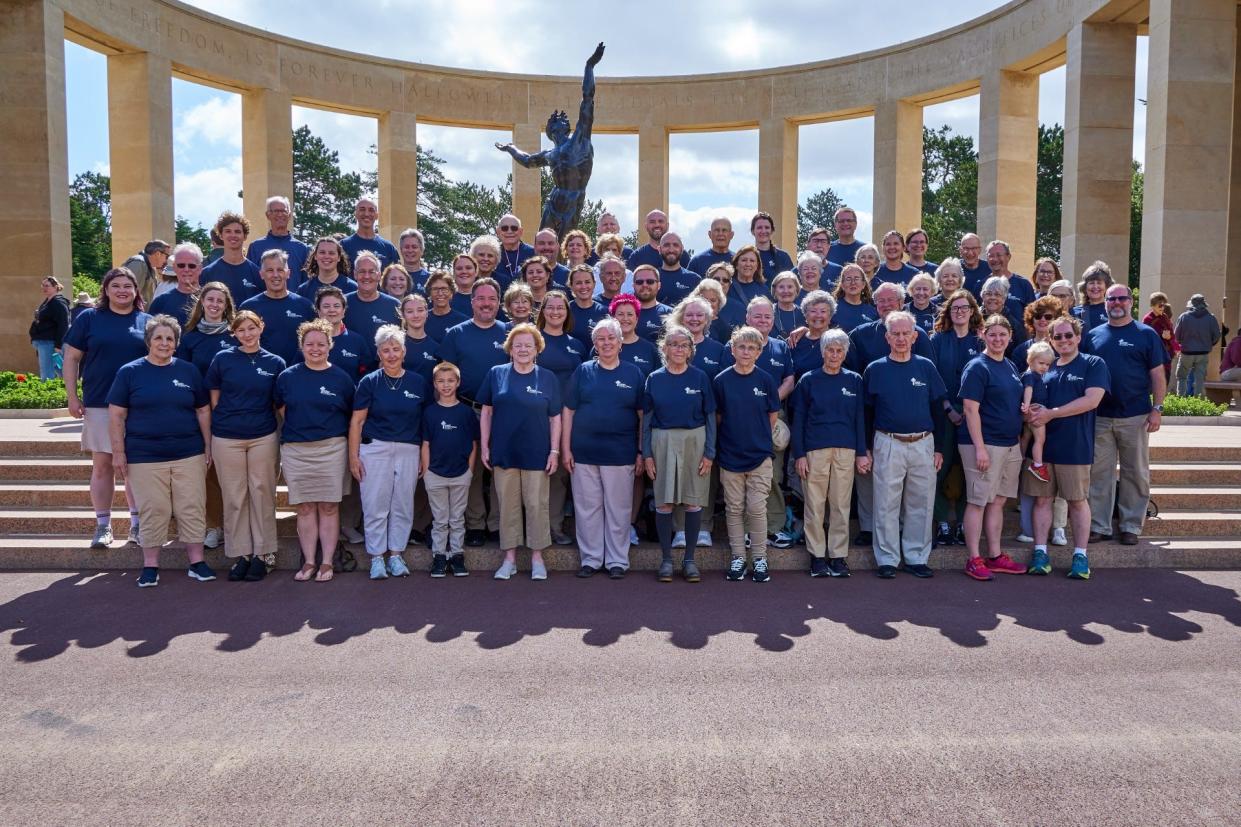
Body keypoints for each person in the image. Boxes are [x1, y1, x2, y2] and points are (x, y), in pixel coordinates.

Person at [107, 315, 213, 587]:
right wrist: (118, 452)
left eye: (170, 339)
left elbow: (202, 410)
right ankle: (151, 565)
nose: (164, 343)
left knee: (192, 507)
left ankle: (197, 562)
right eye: (158, 338)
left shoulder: (188, 371)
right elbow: (117, 415)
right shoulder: (129, 372)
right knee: (154, 509)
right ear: (148, 341)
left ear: (176, 343)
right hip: (144, 456)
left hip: (188, 452)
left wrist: (208, 446)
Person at [63, 268, 151, 549]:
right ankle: (103, 525)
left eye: (128, 285)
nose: (122, 290)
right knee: (103, 466)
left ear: (136, 290)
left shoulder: (146, 322)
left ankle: (137, 525)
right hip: (100, 402)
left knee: (135, 469)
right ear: (106, 289)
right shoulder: (89, 318)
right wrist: (72, 396)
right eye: (116, 286)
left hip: (139, 406)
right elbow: (72, 358)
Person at [863, 310, 947, 579]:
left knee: (921, 503)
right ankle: (887, 559)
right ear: (887, 337)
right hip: (887, 442)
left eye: (905, 334)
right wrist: (865, 448)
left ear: (914, 336)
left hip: (923, 443)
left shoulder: (926, 367)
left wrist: (940, 448)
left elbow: (938, 408)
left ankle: (916, 557)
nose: (901, 338)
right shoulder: (875, 369)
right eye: (895, 334)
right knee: (886, 503)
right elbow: (866, 412)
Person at [1025, 315, 1109, 580]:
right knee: (1042, 499)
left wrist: (1051, 414)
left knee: (1076, 501)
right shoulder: (1045, 368)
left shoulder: (1093, 364)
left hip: (1075, 446)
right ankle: (1040, 552)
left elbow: (1092, 400)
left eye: (1068, 335)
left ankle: (1080, 555)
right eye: (1057, 336)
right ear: (1050, 340)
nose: (1064, 340)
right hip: (1043, 448)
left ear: (1078, 337)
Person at [206, 310, 285, 582]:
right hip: (227, 437)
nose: (247, 334)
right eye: (241, 330)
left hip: (263, 435)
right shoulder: (223, 359)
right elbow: (214, 399)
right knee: (235, 496)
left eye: (252, 328)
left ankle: (264, 555)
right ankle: (243, 554)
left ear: (261, 327)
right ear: (234, 333)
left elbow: (278, 403)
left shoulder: (275, 362)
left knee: (262, 493)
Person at [276, 319, 356, 583]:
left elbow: (348, 413)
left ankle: (327, 562)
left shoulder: (341, 378)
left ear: (330, 345)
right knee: (306, 507)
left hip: (332, 449)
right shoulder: (287, 377)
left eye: (321, 344)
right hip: (297, 450)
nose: (315, 348)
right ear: (301, 346)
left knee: (329, 506)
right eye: (309, 344)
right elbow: (282, 410)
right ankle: (309, 561)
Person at [479, 323, 561, 581]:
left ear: (537, 348)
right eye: (518, 345)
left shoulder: (547, 377)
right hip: (504, 451)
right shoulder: (496, 373)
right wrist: (484, 445)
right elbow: (487, 412)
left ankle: (537, 558)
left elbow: (555, 418)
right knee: (508, 506)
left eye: (528, 345)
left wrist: (555, 450)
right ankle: (510, 559)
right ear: (510, 349)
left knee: (537, 504)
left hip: (537, 452)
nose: (523, 349)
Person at [564, 318, 644, 578]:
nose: (606, 342)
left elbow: (643, 416)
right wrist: (566, 449)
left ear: (620, 342)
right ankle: (591, 558)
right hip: (584, 452)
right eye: (601, 339)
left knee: (618, 509)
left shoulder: (633, 373)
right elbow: (568, 411)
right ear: (594, 344)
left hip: (621, 453)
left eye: (611, 338)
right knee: (587, 508)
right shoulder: (583, 371)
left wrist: (642, 451)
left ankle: (617, 561)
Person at [1086, 283, 1166, 545]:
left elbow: (1157, 374)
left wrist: (1157, 408)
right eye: (1112, 299)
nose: (1116, 303)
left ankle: (1131, 525)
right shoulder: (1093, 335)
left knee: (1136, 472)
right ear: (1106, 303)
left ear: (1130, 301)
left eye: (1121, 298)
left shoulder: (1146, 334)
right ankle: (1099, 525)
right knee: (1099, 474)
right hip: (1100, 416)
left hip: (1136, 416)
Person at [349, 325, 429, 580]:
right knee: (375, 504)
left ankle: (395, 555)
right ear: (379, 353)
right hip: (375, 449)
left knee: (402, 504)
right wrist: (353, 457)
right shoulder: (369, 381)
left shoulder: (417, 382)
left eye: (396, 349)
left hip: (408, 449)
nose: (392, 354)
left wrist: (422, 455)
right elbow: (357, 422)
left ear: (404, 351)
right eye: (386, 350)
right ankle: (376, 558)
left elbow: (424, 422)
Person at [437, 277, 510, 546]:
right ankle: (476, 524)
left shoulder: (508, 333)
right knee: (473, 469)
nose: (486, 304)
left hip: (502, 413)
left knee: (501, 468)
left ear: (499, 302)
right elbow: (445, 376)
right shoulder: (456, 334)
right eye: (480, 298)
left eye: (491, 298)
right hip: (467, 410)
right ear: (472, 302)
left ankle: (498, 523)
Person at [719, 297, 796, 547]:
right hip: (738, 421)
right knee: (740, 479)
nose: (763, 321)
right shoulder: (732, 346)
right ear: (747, 318)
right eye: (757, 316)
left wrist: (769, 404)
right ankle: (743, 533)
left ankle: (771, 528)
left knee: (770, 476)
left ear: (773, 321)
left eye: (767, 317)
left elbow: (789, 379)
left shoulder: (779, 347)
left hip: (772, 418)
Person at [958, 314, 1028, 580]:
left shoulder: (1009, 365)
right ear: (983, 335)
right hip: (984, 444)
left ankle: (995, 555)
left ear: (1010, 336)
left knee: (998, 501)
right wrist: (979, 449)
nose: (998, 339)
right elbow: (970, 410)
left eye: (1002, 334)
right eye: (992, 334)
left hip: (1010, 445)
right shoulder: (978, 367)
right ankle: (974, 558)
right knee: (977, 501)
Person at [792, 328, 867, 577]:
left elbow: (859, 418)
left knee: (841, 504)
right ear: (822, 352)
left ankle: (837, 557)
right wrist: (800, 454)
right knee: (814, 504)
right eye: (830, 350)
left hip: (846, 450)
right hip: (815, 449)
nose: (834, 355)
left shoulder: (854, 379)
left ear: (845, 353)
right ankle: (816, 557)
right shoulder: (808, 380)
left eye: (839, 351)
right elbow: (799, 419)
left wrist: (861, 452)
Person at [643, 325, 715, 582]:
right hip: (662, 440)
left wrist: (709, 453)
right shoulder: (654, 378)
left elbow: (710, 418)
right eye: (673, 344)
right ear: (664, 348)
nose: (678, 349)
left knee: (692, 500)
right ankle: (665, 559)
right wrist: (647, 454)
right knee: (664, 501)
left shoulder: (700, 377)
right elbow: (647, 420)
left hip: (695, 439)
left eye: (683, 345)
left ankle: (689, 560)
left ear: (690, 350)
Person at [713, 326, 781, 582]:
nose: (746, 351)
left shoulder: (766, 380)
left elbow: (771, 416)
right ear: (733, 349)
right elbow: (719, 417)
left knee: (756, 508)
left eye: (752, 348)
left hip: (760, 455)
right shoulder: (721, 380)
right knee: (734, 508)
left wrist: (758, 438)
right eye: (741, 347)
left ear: (759, 352)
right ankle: (738, 557)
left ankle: (760, 558)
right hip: (730, 455)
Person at [1011, 297, 1071, 546]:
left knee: (1058, 481)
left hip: (1059, 422)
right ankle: (1027, 527)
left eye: (1049, 317)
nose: (1043, 321)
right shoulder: (1022, 350)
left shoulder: (1064, 349)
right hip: (1031, 418)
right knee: (1032, 477)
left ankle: (1058, 527)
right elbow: (1018, 385)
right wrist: (1026, 412)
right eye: (1039, 317)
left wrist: (1053, 412)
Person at [927, 289, 985, 548]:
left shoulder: (981, 340)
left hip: (975, 414)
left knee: (969, 472)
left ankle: (963, 522)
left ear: (972, 311)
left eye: (964, 307)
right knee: (938, 470)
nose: (960, 311)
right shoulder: (938, 339)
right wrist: (948, 407)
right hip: (944, 412)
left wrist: (968, 409)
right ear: (949, 312)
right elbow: (933, 376)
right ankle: (941, 521)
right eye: (955, 308)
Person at [421, 362, 480, 577]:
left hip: (460, 473)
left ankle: (456, 555)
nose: (446, 385)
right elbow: (425, 444)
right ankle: (439, 557)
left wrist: (470, 471)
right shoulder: (429, 412)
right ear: (435, 384)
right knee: (440, 519)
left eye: (450, 381)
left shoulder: (466, 413)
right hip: (435, 474)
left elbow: (474, 444)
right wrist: (427, 472)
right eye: (441, 381)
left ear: (458, 383)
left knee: (456, 518)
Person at [536, 290, 584, 546]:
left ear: (567, 313)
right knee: (536, 473)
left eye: (560, 308)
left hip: (568, 416)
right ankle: (535, 528)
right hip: (536, 416)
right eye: (550, 307)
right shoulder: (533, 340)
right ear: (542, 311)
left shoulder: (576, 345)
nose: (555, 312)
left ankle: (554, 527)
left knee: (560, 475)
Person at [239, 249, 317, 365]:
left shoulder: (305, 306)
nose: (275, 275)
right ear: (261, 274)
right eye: (270, 270)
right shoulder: (249, 307)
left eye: (280, 270)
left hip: (297, 374)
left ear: (288, 273)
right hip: (261, 374)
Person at [246, 196, 310, 290]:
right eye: (276, 211)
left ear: (289, 215)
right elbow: (251, 281)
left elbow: (307, 283)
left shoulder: (302, 249)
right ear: (268, 215)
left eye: (283, 211)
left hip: (293, 303)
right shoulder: (255, 248)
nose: (280, 214)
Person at [200, 212, 260, 304]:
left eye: (237, 231)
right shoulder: (207, 273)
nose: (233, 235)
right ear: (221, 235)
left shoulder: (257, 273)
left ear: (245, 236)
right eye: (228, 231)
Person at [314, 286, 371, 383]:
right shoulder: (310, 341)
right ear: (318, 311)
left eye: (336, 306)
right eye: (326, 306)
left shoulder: (357, 341)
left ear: (344, 311)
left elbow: (367, 374)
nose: (332, 310)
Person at [344, 251, 402, 343]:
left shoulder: (394, 305)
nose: (366, 276)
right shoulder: (342, 303)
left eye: (371, 272)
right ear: (355, 274)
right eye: (362, 271)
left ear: (379, 275)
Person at [1174, 293, 1222, 396]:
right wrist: (1209, 344)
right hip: (1203, 352)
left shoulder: (1184, 317)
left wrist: (1182, 343)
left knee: (1182, 377)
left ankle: (1180, 400)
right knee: (1200, 378)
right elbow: (1217, 336)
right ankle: (1198, 403)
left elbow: (1176, 336)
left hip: (1186, 352)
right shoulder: (1210, 318)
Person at [1022, 342, 1055, 483]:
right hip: (1036, 410)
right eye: (1041, 363)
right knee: (1040, 440)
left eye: (1048, 365)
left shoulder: (1034, 375)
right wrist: (1027, 405)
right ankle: (1037, 465)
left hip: (1033, 409)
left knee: (1026, 437)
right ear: (1030, 360)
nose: (1045, 367)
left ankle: (1020, 458)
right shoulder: (1031, 376)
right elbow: (1028, 390)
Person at [148, 243, 203, 327]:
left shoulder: (212, 300)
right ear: (174, 267)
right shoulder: (160, 302)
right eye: (181, 265)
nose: (186, 269)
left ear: (200, 268)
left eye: (192, 266)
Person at [606, 293, 659, 377]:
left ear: (637, 319)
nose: (625, 319)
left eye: (630, 314)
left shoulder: (649, 349)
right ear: (613, 318)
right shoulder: (603, 346)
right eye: (620, 314)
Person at [340, 197, 398, 271]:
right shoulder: (344, 246)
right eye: (362, 209)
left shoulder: (388, 248)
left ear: (377, 215)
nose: (366, 214)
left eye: (371, 210)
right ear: (356, 214)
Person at [30, 276, 70, 380]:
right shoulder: (48, 301)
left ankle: (50, 395)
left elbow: (64, 324)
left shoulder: (58, 303)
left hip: (50, 342)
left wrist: (58, 345)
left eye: (47, 286)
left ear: (55, 287)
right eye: (42, 285)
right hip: (44, 342)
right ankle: (62, 392)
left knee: (47, 374)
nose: (44, 288)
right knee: (58, 371)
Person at [789, 291, 836, 378]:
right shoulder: (794, 340)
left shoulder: (839, 340)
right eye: (813, 311)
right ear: (805, 315)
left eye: (823, 311)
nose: (818, 315)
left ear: (830, 316)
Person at [693, 265, 745, 342]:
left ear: (729, 283)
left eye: (725, 280)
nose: (721, 282)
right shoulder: (694, 305)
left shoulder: (739, 308)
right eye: (716, 279)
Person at [979, 275, 1028, 350]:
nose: (992, 297)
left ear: (1004, 299)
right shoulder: (974, 319)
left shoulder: (1014, 325)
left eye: (997, 294)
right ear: (982, 296)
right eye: (988, 294)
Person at [399, 293, 439, 384]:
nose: (416, 315)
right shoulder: (395, 344)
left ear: (427, 313)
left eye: (420, 310)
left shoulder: (436, 348)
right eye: (410, 311)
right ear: (403, 315)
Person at [567, 264, 608, 347]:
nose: (583, 286)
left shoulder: (604, 312)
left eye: (587, 282)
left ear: (594, 284)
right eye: (578, 283)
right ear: (571, 286)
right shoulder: (565, 310)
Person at [985, 240, 1036, 305]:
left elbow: (1033, 313)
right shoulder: (981, 285)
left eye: (999, 255)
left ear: (1008, 257)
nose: (995, 259)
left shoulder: (1024, 285)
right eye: (991, 256)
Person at [1142, 291, 1178, 382]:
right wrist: (1160, 336)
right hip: (1154, 355)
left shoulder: (1165, 317)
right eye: (1160, 305)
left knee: (1166, 380)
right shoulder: (1148, 319)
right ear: (1152, 305)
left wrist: (1173, 343)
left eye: (1163, 305)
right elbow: (1146, 337)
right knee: (1154, 384)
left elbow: (1172, 335)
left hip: (1167, 355)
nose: (1162, 308)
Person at [631, 264, 673, 342]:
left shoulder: (670, 314)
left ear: (659, 285)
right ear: (633, 286)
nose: (644, 285)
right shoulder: (624, 313)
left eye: (650, 281)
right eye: (639, 282)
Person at [655, 232, 700, 306]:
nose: (671, 249)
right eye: (666, 245)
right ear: (659, 249)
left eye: (675, 245)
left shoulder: (694, 280)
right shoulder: (651, 279)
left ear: (682, 249)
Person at [832, 263, 878, 333]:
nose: (853, 282)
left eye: (856, 278)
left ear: (863, 284)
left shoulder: (872, 312)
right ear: (842, 285)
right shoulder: (832, 309)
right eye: (848, 279)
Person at [423, 270, 468, 342]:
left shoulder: (463, 321)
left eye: (444, 289)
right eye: (435, 289)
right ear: (429, 293)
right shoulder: (421, 319)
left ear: (451, 292)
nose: (440, 293)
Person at [122, 239, 170, 305]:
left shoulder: (149, 266)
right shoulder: (138, 264)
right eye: (167, 256)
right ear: (158, 254)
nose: (166, 260)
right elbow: (127, 294)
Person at [494, 213, 534, 287]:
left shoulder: (533, 253)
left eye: (514, 228)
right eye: (505, 228)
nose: (509, 231)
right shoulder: (492, 254)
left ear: (521, 231)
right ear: (498, 231)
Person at [750, 211, 794, 277]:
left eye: (767, 227)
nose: (763, 231)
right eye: (759, 227)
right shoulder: (747, 257)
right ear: (753, 231)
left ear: (772, 231)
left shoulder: (783, 257)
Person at [1073, 261, 1112, 332]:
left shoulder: (1113, 311)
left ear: (1107, 286)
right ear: (1084, 287)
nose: (1095, 286)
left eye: (1099, 283)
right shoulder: (1074, 313)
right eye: (1091, 283)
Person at [770, 272, 805, 339]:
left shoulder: (804, 314)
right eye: (781, 287)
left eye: (790, 287)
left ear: (796, 290)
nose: (786, 291)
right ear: (775, 290)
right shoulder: (767, 312)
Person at [397, 228, 430, 293]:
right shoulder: (393, 277)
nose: (410, 250)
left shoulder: (430, 279)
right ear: (401, 250)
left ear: (422, 250)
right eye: (406, 247)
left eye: (414, 247)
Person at [958, 233, 991, 297]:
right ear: (960, 250)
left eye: (974, 248)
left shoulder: (990, 269)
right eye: (966, 248)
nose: (970, 253)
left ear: (980, 250)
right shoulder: (953, 269)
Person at [449, 253, 479, 317]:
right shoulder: (446, 298)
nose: (464, 271)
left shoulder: (484, 297)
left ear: (476, 272)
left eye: (468, 268)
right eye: (459, 268)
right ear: (453, 273)